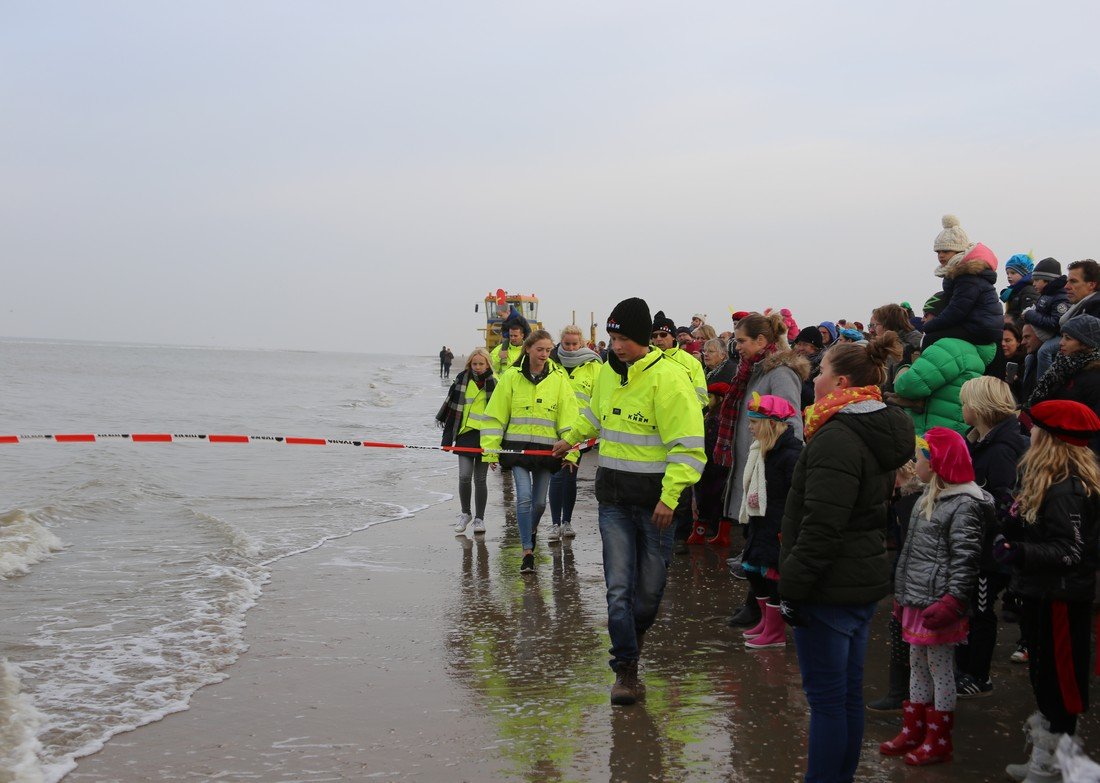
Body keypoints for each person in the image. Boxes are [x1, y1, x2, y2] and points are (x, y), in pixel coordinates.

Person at [552, 297, 705, 705]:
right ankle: (625, 669)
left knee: (649, 592)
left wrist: (671, 498)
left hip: (656, 504)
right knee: (618, 588)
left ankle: (632, 638)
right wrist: (571, 438)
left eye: (622, 338)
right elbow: (593, 416)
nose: (616, 346)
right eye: (612, 337)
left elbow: (688, 448)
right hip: (614, 500)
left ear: (641, 338)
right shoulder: (606, 372)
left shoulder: (670, 380)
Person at [778, 333, 915, 782]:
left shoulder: (838, 434)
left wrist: (793, 587)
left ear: (838, 382)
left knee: (828, 702)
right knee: (847, 696)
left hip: (829, 585)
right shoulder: (874, 423)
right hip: (858, 576)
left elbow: (822, 524)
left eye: (819, 372)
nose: (813, 378)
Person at [995, 400, 1100, 781]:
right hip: (1043, 592)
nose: (1029, 433)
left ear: (1051, 439)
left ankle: (1060, 766)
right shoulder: (1048, 481)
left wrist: (1020, 551)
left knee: (1060, 686)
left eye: (1034, 428)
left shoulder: (1066, 489)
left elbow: (1071, 551)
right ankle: (1046, 759)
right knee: (1044, 678)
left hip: (1062, 596)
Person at [879, 427, 986, 767]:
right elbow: (911, 553)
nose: (915, 462)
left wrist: (953, 601)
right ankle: (915, 728)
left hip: (939, 603)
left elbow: (965, 559)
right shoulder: (928, 496)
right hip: (917, 599)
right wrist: (902, 593)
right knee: (917, 666)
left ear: (938, 463)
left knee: (940, 670)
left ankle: (938, 738)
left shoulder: (964, 505)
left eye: (921, 456)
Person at [954, 376, 1029, 699]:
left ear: (980, 408)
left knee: (982, 611)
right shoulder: (980, 441)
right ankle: (966, 668)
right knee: (971, 608)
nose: (962, 408)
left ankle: (978, 674)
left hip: (989, 547)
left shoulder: (1000, 450)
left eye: (965, 403)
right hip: (977, 541)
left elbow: (1004, 500)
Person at [481, 329, 579, 573]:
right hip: (517, 452)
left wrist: (571, 452)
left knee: (539, 504)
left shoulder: (558, 379)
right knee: (524, 498)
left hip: (548, 454)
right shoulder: (512, 377)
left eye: (548, 350)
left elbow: (569, 418)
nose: (545, 354)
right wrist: (491, 451)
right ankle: (527, 552)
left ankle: (531, 530)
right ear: (528, 349)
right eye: (540, 350)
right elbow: (495, 416)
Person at [715, 311, 808, 556]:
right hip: (756, 459)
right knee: (755, 522)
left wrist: (782, 462)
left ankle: (761, 567)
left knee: (767, 521)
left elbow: (791, 422)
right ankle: (751, 555)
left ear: (761, 341)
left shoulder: (780, 373)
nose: (737, 347)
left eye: (742, 341)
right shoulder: (753, 371)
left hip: (770, 464)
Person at [738, 393, 802, 650]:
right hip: (760, 521)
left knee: (773, 576)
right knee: (753, 569)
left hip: (777, 526)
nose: (750, 428)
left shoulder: (791, 454)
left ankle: (775, 632)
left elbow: (794, 496)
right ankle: (766, 621)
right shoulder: (762, 450)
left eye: (754, 422)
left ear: (769, 424)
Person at [890, 295, 996, 435]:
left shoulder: (949, 346)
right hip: (951, 433)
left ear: (943, 316)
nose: (923, 320)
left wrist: (904, 368)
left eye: (927, 314)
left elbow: (908, 385)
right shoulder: (966, 346)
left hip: (934, 439)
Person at [546, 325, 603, 542]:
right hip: (554, 428)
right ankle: (554, 523)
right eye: (566, 344)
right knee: (556, 475)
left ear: (582, 343)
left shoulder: (594, 366)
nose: (570, 348)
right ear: (560, 343)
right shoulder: (551, 364)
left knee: (569, 475)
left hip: (580, 430)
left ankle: (566, 521)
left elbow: (599, 399)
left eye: (574, 344)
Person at [436, 347, 497, 535]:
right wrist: (446, 440)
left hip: (486, 437)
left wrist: (496, 449)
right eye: (474, 364)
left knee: (480, 479)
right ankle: (465, 513)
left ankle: (480, 518)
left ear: (488, 364)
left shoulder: (495, 384)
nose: (477, 367)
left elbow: (500, 416)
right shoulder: (461, 381)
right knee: (464, 476)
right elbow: (451, 412)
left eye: (481, 364)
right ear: (469, 364)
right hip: (465, 435)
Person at [1028, 314, 1100, 454]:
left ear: (1085, 343)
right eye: (1062, 336)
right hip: (1052, 449)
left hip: (1077, 456)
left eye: (1068, 338)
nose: (1061, 342)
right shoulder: (1062, 367)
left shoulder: (1094, 378)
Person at [1022, 257, 1069, 379]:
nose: (1033, 284)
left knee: (1044, 352)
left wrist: (1029, 315)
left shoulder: (1060, 297)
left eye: (1037, 280)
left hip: (1061, 335)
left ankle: (1044, 384)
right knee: (1029, 357)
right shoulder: (1045, 296)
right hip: (1050, 335)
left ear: (1047, 281)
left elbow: (1055, 323)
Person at [1001, 253, 1039, 328]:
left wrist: (1012, 329)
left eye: (1013, 273)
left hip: (1019, 332)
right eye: (1007, 273)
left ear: (1024, 273)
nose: (1009, 276)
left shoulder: (1029, 290)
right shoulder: (1013, 291)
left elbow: (1026, 316)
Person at [791, 328, 824, 409]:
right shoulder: (793, 362)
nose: (801, 348)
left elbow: (816, 396)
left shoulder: (822, 365)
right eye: (799, 344)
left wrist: (795, 380)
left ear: (816, 347)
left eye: (805, 344)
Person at [1001, 322, 1027, 402]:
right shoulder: (994, 362)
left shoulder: (1026, 362)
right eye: (1000, 340)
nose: (1003, 344)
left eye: (1007, 340)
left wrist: (1016, 381)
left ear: (1018, 342)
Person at [1020, 323, 1042, 405]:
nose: (1022, 342)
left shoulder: (1053, 366)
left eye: (1027, 337)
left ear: (1041, 335)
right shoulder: (1030, 361)